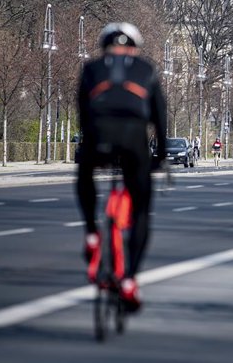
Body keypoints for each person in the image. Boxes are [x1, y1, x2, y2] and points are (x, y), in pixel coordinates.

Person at [77, 22, 167, 312]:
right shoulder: (146, 70)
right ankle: (129, 280)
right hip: (133, 141)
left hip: (98, 135)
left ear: (104, 46)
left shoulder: (91, 69)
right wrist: (161, 154)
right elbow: (159, 116)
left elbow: (82, 110)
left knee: (84, 175)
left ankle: (92, 231)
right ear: (135, 47)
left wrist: (90, 143)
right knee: (140, 210)